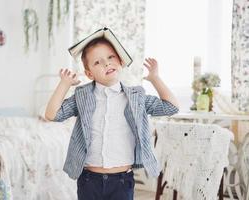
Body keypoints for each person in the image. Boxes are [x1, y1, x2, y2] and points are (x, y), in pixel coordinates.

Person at [45, 33, 179, 200]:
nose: (106, 63)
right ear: (89, 74)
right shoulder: (82, 96)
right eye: (97, 62)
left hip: (122, 180)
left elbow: (171, 107)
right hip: (88, 180)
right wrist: (64, 84)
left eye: (110, 57)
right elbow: (52, 115)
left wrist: (155, 78)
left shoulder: (136, 96)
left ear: (121, 61)